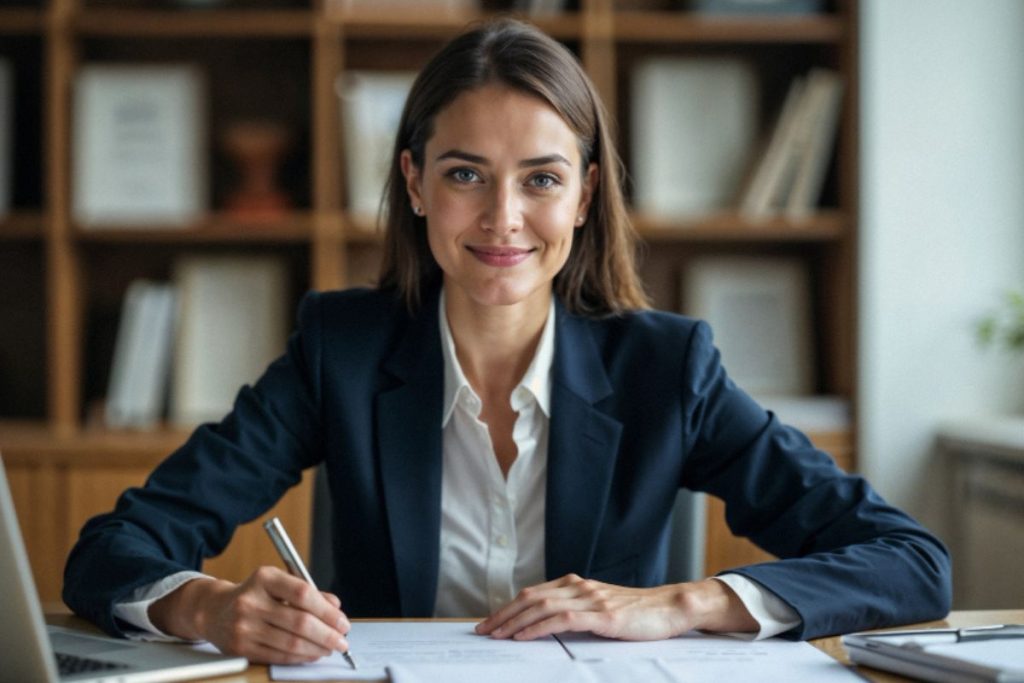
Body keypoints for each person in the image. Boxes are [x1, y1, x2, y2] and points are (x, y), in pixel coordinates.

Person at [63, 18, 951, 665]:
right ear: (413, 181)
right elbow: (112, 549)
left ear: (585, 192)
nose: (503, 218)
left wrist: (681, 603)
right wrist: (209, 605)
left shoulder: (666, 367)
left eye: (542, 179)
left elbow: (911, 561)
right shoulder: (341, 349)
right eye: (464, 175)